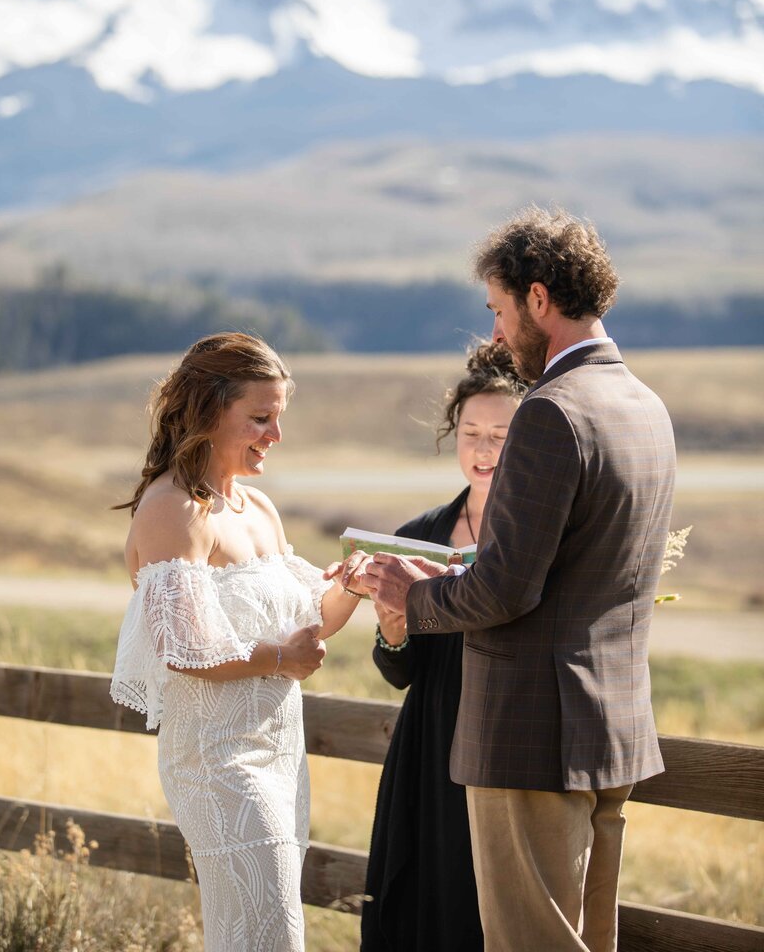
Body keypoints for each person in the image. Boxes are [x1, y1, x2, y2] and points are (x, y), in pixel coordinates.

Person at [363, 207, 676, 952]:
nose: (498, 335)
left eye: (501, 312)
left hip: (531, 738)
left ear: (540, 300)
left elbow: (504, 588)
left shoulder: (552, 412)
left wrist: (413, 595)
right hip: (612, 731)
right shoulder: (645, 406)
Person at [110, 333, 367, 952]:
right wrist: (284, 660)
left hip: (281, 754)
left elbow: (311, 623)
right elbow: (185, 648)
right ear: (205, 411)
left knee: (258, 931)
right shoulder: (171, 509)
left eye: (278, 418)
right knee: (268, 932)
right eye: (260, 418)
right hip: (216, 761)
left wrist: (355, 585)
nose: (275, 435)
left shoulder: (258, 509)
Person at [360, 343, 527, 952]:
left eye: (502, 435)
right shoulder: (418, 535)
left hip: (509, 739)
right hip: (431, 738)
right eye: (472, 432)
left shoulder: (536, 538)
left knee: (489, 906)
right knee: (422, 896)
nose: (483, 450)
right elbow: (396, 671)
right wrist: (394, 629)